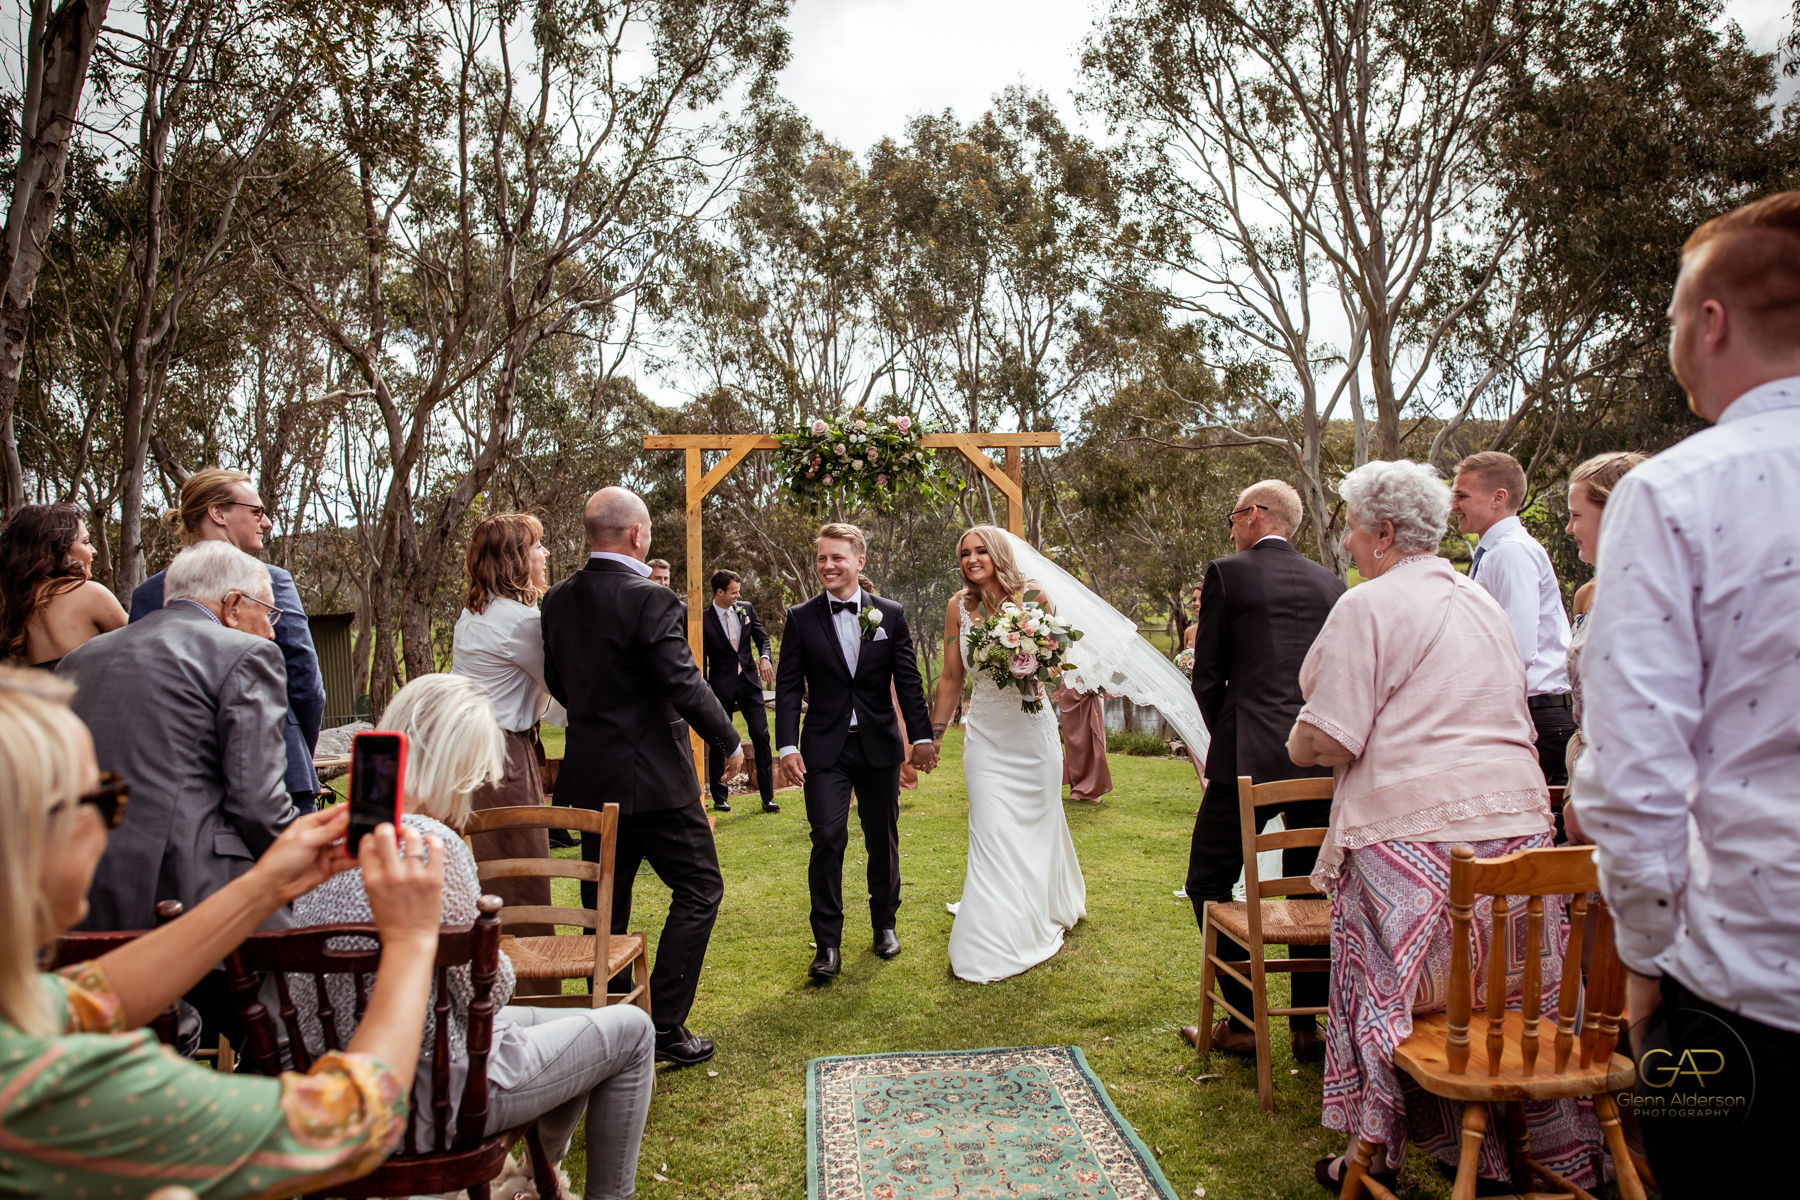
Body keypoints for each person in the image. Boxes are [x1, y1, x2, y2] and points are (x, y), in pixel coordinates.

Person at [0, 665, 445, 1200]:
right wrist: (412, 941)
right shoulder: (60, 1089)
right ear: (26, 843)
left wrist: (263, 888)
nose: (113, 826)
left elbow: (88, 998)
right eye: (103, 799)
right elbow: (347, 1121)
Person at [1284, 459, 1600, 1194]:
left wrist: (1299, 742)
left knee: (1387, 992)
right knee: (1505, 1002)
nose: (1352, 547)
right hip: (1523, 825)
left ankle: (1383, 1148)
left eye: (1356, 532)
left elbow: (1330, 736)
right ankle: (1500, 1151)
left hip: (1414, 834)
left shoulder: (1368, 606)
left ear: (1386, 533)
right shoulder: (1480, 599)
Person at [1572, 191, 1800, 1195]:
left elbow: (1634, 771)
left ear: (1709, 323)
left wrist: (1648, 960)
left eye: (1672, 313)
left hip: (1741, 990)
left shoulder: (1674, 492)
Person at [290, 674, 656, 1199]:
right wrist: (497, 962)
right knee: (632, 1032)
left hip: (331, 1069)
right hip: (433, 1090)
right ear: (461, 765)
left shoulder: (329, 838)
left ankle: (535, 1177)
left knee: (583, 1021)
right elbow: (486, 993)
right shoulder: (433, 845)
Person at [57, 540, 299, 1043]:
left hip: (85, 905)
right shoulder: (247, 653)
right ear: (233, 606)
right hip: (199, 902)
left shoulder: (78, 660)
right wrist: (308, 870)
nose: (272, 627)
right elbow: (258, 804)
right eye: (268, 611)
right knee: (289, 1035)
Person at [541, 486, 742, 1067]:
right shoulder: (651, 599)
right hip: (653, 779)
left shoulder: (556, 599)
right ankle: (661, 1027)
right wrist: (728, 739)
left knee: (603, 903)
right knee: (701, 887)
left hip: (591, 774)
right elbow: (682, 681)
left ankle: (609, 1021)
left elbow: (559, 681)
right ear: (637, 535)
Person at [1181, 480, 1343, 1061]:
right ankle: (1306, 1027)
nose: (1231, 529)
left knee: (1206, 882)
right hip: (1318, 759)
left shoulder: (1227, 573)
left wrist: (1226, 731)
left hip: (1245, 754)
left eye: (1233, 516)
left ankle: (1245, 1021)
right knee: (1310, 888)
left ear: (1255, 515)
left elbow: (1208, 674)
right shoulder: (1332, 582)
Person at [775, 523, 937, 979]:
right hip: (823, 749)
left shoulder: (890, 613)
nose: (828, 565)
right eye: (822, 557)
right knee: (827, 837)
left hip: (878, 746)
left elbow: (907, 680)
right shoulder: (800, 618)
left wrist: (921, 737)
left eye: (837, 558)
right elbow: (787, 687)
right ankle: (827, 943)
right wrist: (787, 745)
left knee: (881, 837)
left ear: (859, 562)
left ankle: (884, 924)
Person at [929, 526, 1085, 982]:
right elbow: (952, 677)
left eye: (979, 551)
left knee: (1038, 826)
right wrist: (935, 734)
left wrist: (1034, 651)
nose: (971, 559)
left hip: (1032, 735)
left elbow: (1055, 668)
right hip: (986, 737)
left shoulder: (1033, 596)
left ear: (998, 553)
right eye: (963, 553)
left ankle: (1040, 904)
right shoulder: (958, 607)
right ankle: (991, 937)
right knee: (990, 829)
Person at [130, 468, 327, 814]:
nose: (265, 523)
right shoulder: (271, 581)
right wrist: (294, 750)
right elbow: (305, 684)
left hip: (185, 787)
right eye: (256, 512)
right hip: (278, 778)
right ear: (218, 513)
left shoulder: (148, 593)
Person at [452, 512, 559, 993]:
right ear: (517, 559)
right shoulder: (519, 621)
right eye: (538, 546)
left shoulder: (474, 613)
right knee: (519, 881)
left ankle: (486, 988)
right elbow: (561, 695)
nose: (545, 555)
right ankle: (530, 995)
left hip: (471, 755)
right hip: (504, 760)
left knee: (486, 877)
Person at [1449, 450, 1575, 786]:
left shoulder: (1510, 552)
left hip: (1538, 712)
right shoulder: (1496, 551)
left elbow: (1517, 649)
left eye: (1462, 496)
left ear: (1498, 498)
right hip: (1529, 709)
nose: (1453, 505)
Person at [1558, 451, 1645, 842]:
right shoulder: (1594, 592)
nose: (1567, 527)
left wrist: (1593, 785)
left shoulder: (1643, 593)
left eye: (1577, 515)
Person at [0, 503, 127, 670]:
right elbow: (143, 650)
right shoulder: (89, 594)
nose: (94, 550)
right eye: (86, 542)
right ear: (58, 549)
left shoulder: (7, 604)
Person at [702, 568, 778, 814]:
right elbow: (699, 656)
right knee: (717, 741)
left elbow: (762, 638)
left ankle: (767, 797)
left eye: (738, 592)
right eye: (733, 592)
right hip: (719, 686)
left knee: (761, 736)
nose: (737, 596)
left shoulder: (745, 608)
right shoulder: (703, 619)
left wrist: (765, 657)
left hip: (748, 683)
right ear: (719, 592)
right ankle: (719, 797)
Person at [1055, 683, 1112, 802]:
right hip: (1069, 690)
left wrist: (1097, 682)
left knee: (1092, 738)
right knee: (1073, 741)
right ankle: (1076, 787)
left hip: (1089, 687)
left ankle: (1094, 789)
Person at [1182, 580, 1202, 651]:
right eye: (1194, 599)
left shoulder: (1217, 631)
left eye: (1201, 599)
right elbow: (1184, 659)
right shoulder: (1188, 632)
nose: (1196, 603)